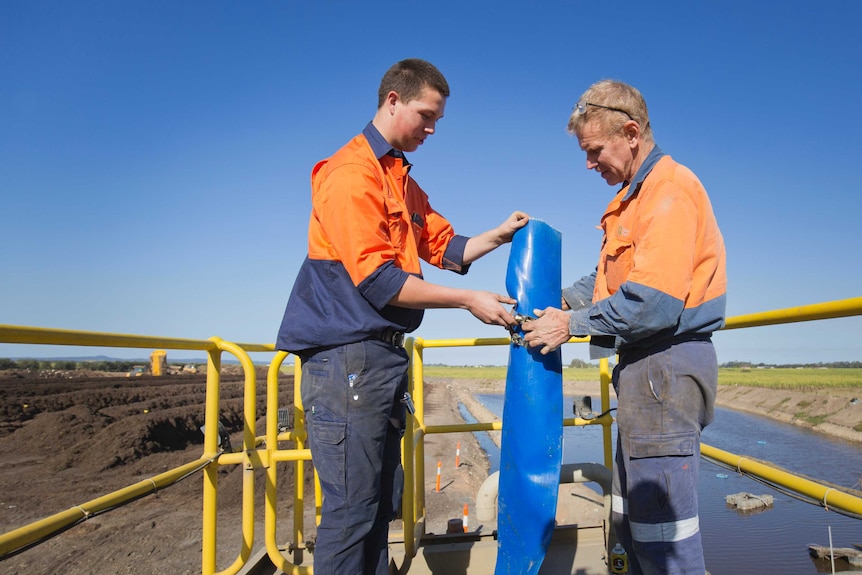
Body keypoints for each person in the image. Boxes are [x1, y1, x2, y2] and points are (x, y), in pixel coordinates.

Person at [275, 58, 528, 575]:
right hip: (346, 357)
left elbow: (446, 244)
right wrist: (468, 301)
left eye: (438, 120)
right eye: (426, 115)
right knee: (350, 511)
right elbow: (379, 280)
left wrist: (500, 235)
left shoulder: (401, 180)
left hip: (379, 359)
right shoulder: (350, 174)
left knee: (376, 504)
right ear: (393, 101)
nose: (433, 129)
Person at [521, 80, 726, 575]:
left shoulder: (668, 191)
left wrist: (568, 325)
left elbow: (651, 304)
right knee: (633, 524)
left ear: (631, 133)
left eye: (594, 150)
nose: (589, 164)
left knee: (664, 538)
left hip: (665, 366)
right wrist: (553, 303)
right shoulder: (635, 199)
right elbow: (609, 281)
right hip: (645, 369)